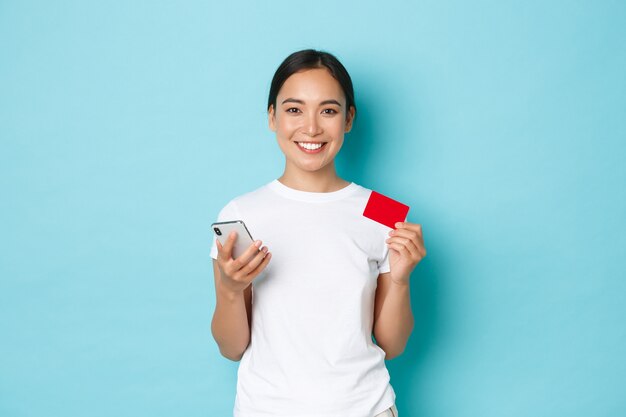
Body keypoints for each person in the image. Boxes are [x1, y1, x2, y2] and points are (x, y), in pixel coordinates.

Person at [210, 49, 426, 417]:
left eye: (328, 110)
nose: (311, 128)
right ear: (272, 117)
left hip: (366, 409)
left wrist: (402, 280)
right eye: (294, 109)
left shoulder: (384, 211)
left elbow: (393, 345)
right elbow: (231, 348)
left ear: (348, 119)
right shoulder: (241, 213)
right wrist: (231, 291)